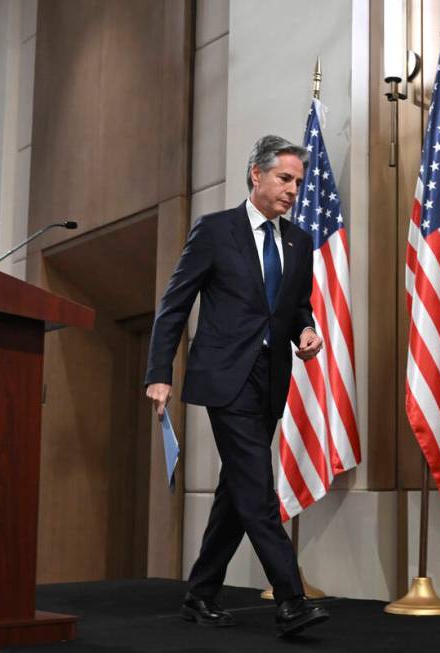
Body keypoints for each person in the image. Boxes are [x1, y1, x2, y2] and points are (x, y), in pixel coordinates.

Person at [144, 135, 329, 637]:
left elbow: (295, 307)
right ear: (256, 174)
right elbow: (174, 305)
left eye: (298, 181)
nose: (293, 189)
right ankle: (291, 599)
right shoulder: (214, 231)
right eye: (284, 178)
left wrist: (306, 331)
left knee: (237, 489)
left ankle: (200, 593)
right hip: (225, 377)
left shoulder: (299, 241)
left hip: (270, 379)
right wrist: (159, 372)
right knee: (256, 486)